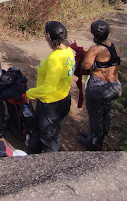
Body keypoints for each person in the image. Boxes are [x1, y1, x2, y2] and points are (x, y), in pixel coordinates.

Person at [26, 21, 75, 154]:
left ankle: (52, 165)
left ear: (48, 35)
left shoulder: (55, 58)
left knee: (49, 139)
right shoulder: (69, 51)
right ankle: (31, 153)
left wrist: (29, 94)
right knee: (39, 130)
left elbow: (49, 88)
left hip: (50, 104)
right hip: (64, 98)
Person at [77, 20, 122, 151]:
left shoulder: (95, 49)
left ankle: (95, 141)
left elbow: (86, 66)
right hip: (115, 86)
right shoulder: (115, 48)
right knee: (106, 112)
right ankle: (100, 136)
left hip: (99, 86)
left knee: (95, 114)